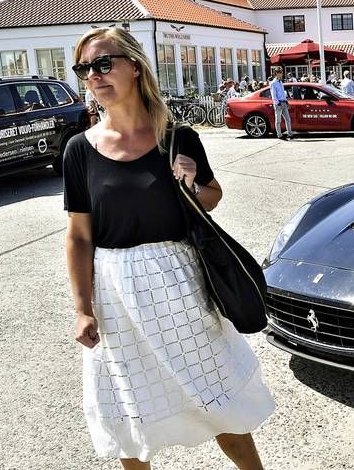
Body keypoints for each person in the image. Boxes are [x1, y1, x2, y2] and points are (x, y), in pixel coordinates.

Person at [63, 27, 273, 470]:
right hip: (115, 292)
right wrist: (83, 307)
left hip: (179, 281)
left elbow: (211, 197)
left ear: (135, 67)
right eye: (85, 68)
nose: (94, 75)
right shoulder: (79, 150)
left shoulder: (177, 137)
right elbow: (79, 236)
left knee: (218, 398)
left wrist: (193, 183)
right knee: (128, 411)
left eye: (104, 63)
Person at [271, 69, 292, 140]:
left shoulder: (280, 82)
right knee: (278, 120)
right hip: (278, 103)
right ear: (276, 73)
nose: (282, 74)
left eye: (282, 73)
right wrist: (278, 103)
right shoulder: (273, 83)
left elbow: (283, 93)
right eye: (280, 73)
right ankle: (279, 135)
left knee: (288, 119)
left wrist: (286, 101)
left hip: (284, 102)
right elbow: (273, 95)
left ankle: (290, 134)